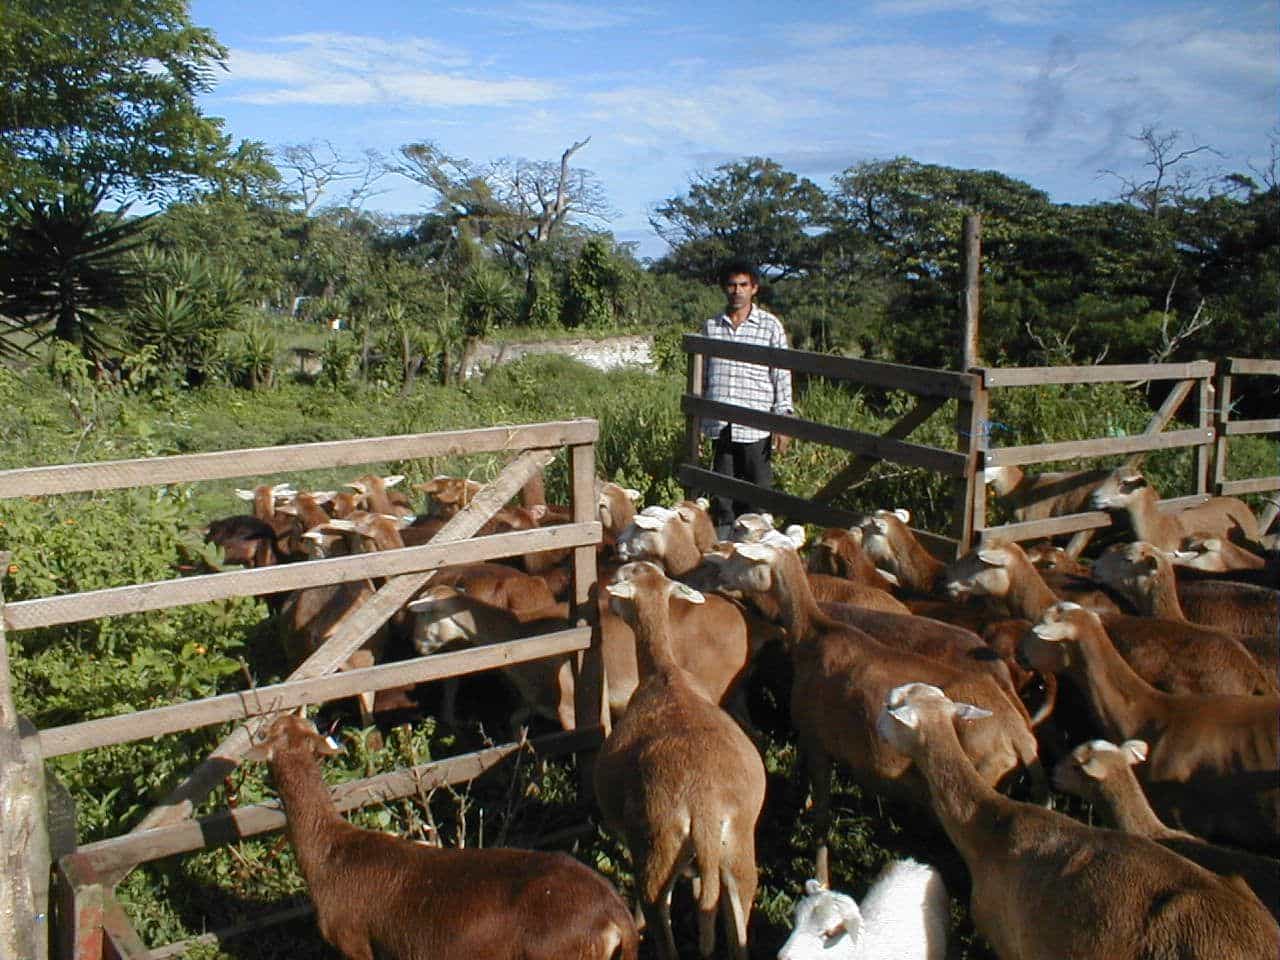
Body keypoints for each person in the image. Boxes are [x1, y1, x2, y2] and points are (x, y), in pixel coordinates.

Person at [700, 259, 793, 539]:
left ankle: (760, 548)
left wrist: (783, 418)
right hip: (720, 423)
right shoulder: (711, 326)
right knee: (723, 493)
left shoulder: (769, 326)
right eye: (731, 285)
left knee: (757, 493)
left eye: (743, 285)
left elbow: (782, 372)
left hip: (756, 423)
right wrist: (700, 422)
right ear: (723, 289)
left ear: (754, 288)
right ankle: (726, 548)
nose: (737, 291)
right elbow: (703, 375)